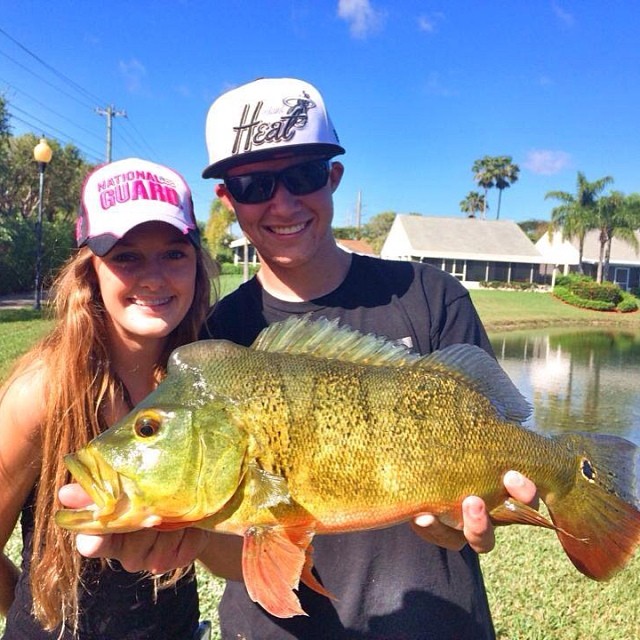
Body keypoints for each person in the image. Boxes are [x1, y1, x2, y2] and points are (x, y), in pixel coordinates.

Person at [61, 78, 538, 639]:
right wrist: (186, 532)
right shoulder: (216, 341)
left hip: (437, 622)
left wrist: (478, 514)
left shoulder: (430, 297)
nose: (283, 202)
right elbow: (228, 547)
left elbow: (497, 437)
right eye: (255, 184)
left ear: (334, 176)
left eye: (305, 176)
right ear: (228, 199)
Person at [0, 158, 218, 639]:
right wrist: (31, 604)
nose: (154, 278)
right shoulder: (43, 389)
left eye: (174, 254)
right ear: (90, 271)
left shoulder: (204, 377)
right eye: (126, 257)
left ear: (197, 264)